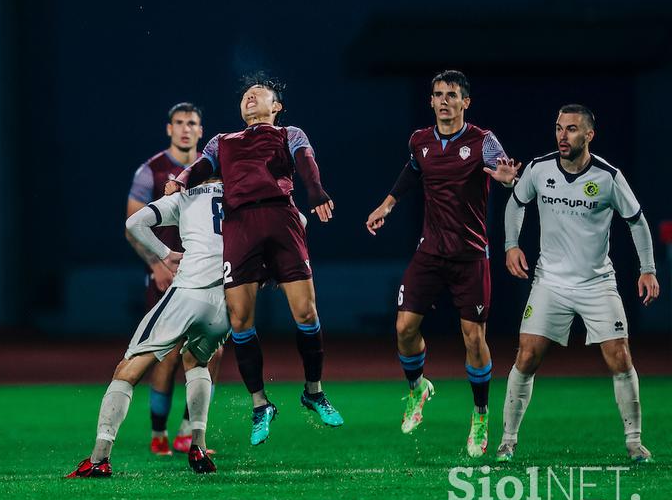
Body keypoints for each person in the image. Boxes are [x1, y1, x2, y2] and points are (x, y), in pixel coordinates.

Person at [166, 72, 342, 446]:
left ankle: (313, 391)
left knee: (306, 312)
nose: (249, 97)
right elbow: (201, 166)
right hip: (240, 225)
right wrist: (182, 179)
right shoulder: (222, 141)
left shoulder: (289, 133)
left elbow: (306, 163)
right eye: (245, 94)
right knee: (241, 320)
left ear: (275, 107)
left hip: (282, 219)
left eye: (258, 94)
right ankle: (261, 404)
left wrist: (317, 192)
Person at [365, 70, 519, 458]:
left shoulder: (482, 141)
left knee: (473, 338)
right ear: (431, 101)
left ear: (466, 102)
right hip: (430, 252)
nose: (444, 100)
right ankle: (417, 387)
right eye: (438, 94)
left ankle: (481, 415)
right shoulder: (420, 141)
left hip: (470, 256)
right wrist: (386, 205)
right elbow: (412, 171)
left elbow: (504, 173)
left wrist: (506, 181)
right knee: (404, 327)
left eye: (452, 94)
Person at [498, 104, 659, 463]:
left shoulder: (608, 176)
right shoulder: (540, 169)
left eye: (571, 129)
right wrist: (511, 246)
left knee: (620, 357)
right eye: (558, 128)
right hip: (550, 282)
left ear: (589, 135)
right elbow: (516, 202)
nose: (562, 136)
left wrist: (647, 268)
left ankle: (634, 442)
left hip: (596, 283)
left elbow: (637, 220)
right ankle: (507, 440)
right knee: (526, 355)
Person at [68, 177, 229, 477]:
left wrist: (166, 255)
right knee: (196, 360)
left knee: (127, 369)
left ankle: (99, 459)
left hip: (188, 292)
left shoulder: (187, 195)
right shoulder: (245, 196)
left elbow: (135, 223)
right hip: (225, 303)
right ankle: (199, 446)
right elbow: (296, 222)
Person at [127, 102, 223, 455]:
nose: (185, 128)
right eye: (179, 123)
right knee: (165, 355)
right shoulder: (151, 171)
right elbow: (132, 227)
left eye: (192, 123)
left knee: (211, 352)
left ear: (201, 130)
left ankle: (188, 431)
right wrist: (156, 263)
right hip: (168, 276)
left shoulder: (212, 169)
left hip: (208, 276)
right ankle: (158, 434)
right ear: (169, 129)